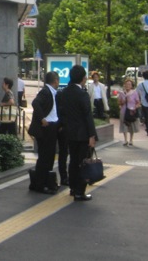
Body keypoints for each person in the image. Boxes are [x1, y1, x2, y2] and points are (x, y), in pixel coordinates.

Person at [58, 65, 97, 202]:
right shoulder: (82, 94)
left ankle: (73, 188)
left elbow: (61, 113)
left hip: (69, 133)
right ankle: (80, 192)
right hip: (83, 134)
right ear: (82, 78)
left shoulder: (63, 93)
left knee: (73, 161)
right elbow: (88, 116)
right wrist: (92, 135)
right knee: (83, 163)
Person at [28, 71, 60, 194]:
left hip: (52, 127)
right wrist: (42, 118)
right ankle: (40, 184)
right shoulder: (46, 91)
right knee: (45, 157)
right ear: (55, 80)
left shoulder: (52, 92)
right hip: (46, 128)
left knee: (49, 156)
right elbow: (35, 103)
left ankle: (45, 182)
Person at [118, 79, 140, 146]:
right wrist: (124, 101)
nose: (128, 85)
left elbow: (138, 102)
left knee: (131, 126)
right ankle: (125, 140)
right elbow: (119, 102)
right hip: (123, 111)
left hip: (131, 111)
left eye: (129, 84)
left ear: (131, 86)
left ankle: (131, 140)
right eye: (126, 84)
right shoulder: (121, 93)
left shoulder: (134, 93)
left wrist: (135, 107)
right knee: (124, 125)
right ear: (124, 85)